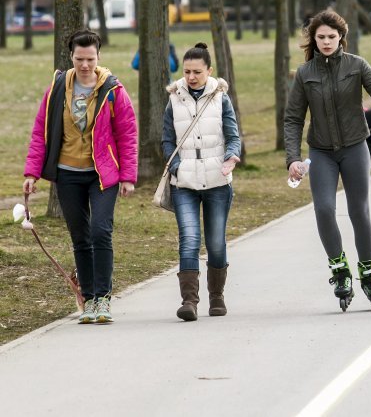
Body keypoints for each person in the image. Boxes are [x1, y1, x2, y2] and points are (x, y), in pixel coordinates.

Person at [284, 10, 371, 312]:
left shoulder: (356, 66)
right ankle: (340, 271)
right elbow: (293, 118)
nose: (325, 42)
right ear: (313, 39)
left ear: (341, 38)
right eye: (320, 37)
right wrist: (293, 158)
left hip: (353, 147)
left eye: (331, 37)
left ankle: (370, 274)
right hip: (321, 150)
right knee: (323, 209)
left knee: (358, 211)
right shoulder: (305, 73)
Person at [23, 29, 138, 324]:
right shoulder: (58, 89)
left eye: (90, 59)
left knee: (100, 231)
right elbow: (41, 132)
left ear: (98, 56)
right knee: (80, 237)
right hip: (68, 174)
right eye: (79, 59)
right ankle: (88, 299)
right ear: (71, 56)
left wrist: (128, 176)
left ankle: (103, 298)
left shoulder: (113, 90)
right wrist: (32, 172)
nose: (84, 65)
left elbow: (127, 134)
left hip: (103, 175)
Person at [162, 42, 241, 322]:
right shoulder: (174, 98)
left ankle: (216, 296)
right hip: (184, 182)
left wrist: (231, 157)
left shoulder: (220, 98)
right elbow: (167, 139)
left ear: (209, 71)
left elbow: (233, 135)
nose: (191, 77)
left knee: (216, 243)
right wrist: (176, 166)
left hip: (217, 180)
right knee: (189, 240)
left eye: (197, 71)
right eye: (187, 72)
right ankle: (189, 301)